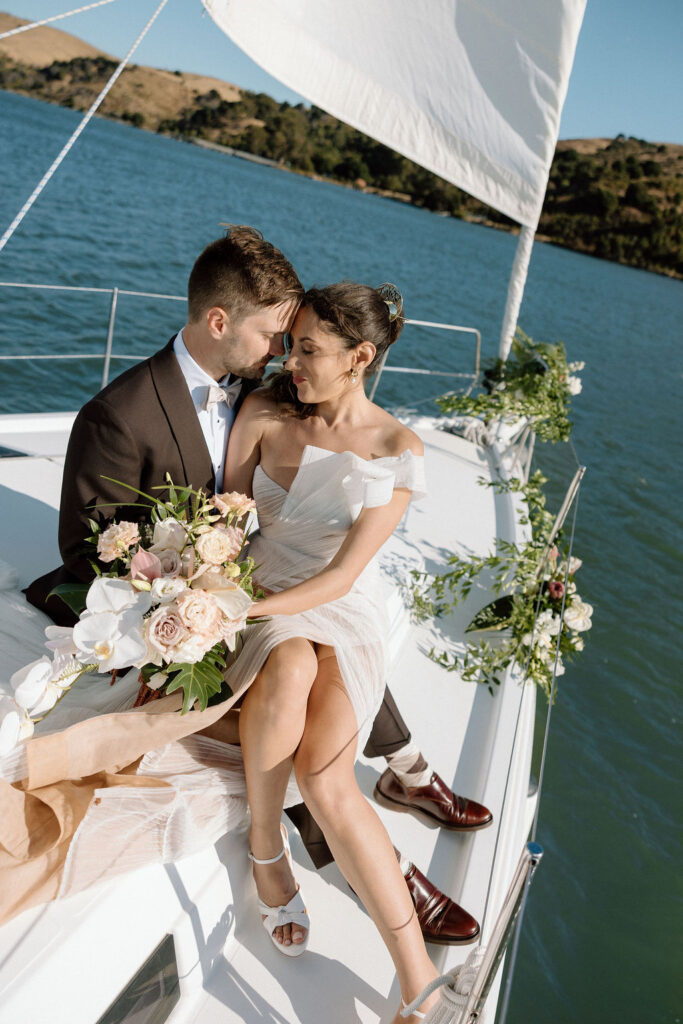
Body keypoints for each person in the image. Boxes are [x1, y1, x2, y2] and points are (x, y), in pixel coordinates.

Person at [23, 227, 491, 945]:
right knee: (293, 677)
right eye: (276, 334)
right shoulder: (118, 416)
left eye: (293, 340)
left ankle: (403, 771)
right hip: (172, 603)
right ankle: (382, 856)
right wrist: (187, 603)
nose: (282, 352)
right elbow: (89, 555)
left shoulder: (263, 389)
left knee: (321, 638)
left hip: (253, 587)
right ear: (220, 322)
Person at [211, 279, 442, 1019]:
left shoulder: (396, 449)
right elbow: (227, 520)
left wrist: (253, 605)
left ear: (360, 357)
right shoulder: (263, 411)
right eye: (290, 343)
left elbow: (344, 574)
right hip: (266, 597)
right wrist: (218, 594)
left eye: (308, 349)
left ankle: (418, 982)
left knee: (328, 776)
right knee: (290, 660)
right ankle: (266, 854)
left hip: (338, 607)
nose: (289, 360)